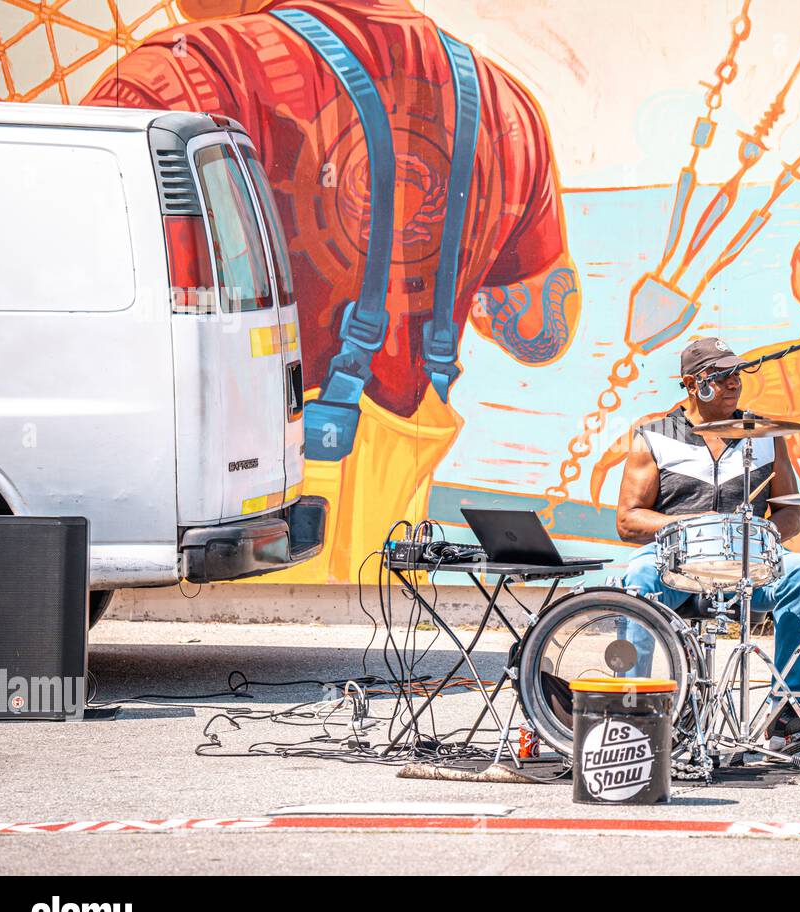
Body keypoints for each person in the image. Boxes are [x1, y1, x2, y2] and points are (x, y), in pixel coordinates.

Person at [83, 0, 580, 581]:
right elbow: (543, 335)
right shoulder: (505, 106)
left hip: (245, 508)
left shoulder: (184, 74)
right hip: (391, 532)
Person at [616, 337, 800, 745]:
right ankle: (631, 709)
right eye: (721, 376)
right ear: (693, 384)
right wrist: (692, 523)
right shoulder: (653, 437)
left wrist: (760, 534)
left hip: (749, 565)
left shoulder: (764, 435)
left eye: (736, 375)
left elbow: (791, 512)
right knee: (637, 574)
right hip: (676, 565)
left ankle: (788, 711)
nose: (733, 384)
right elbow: (628, 520)